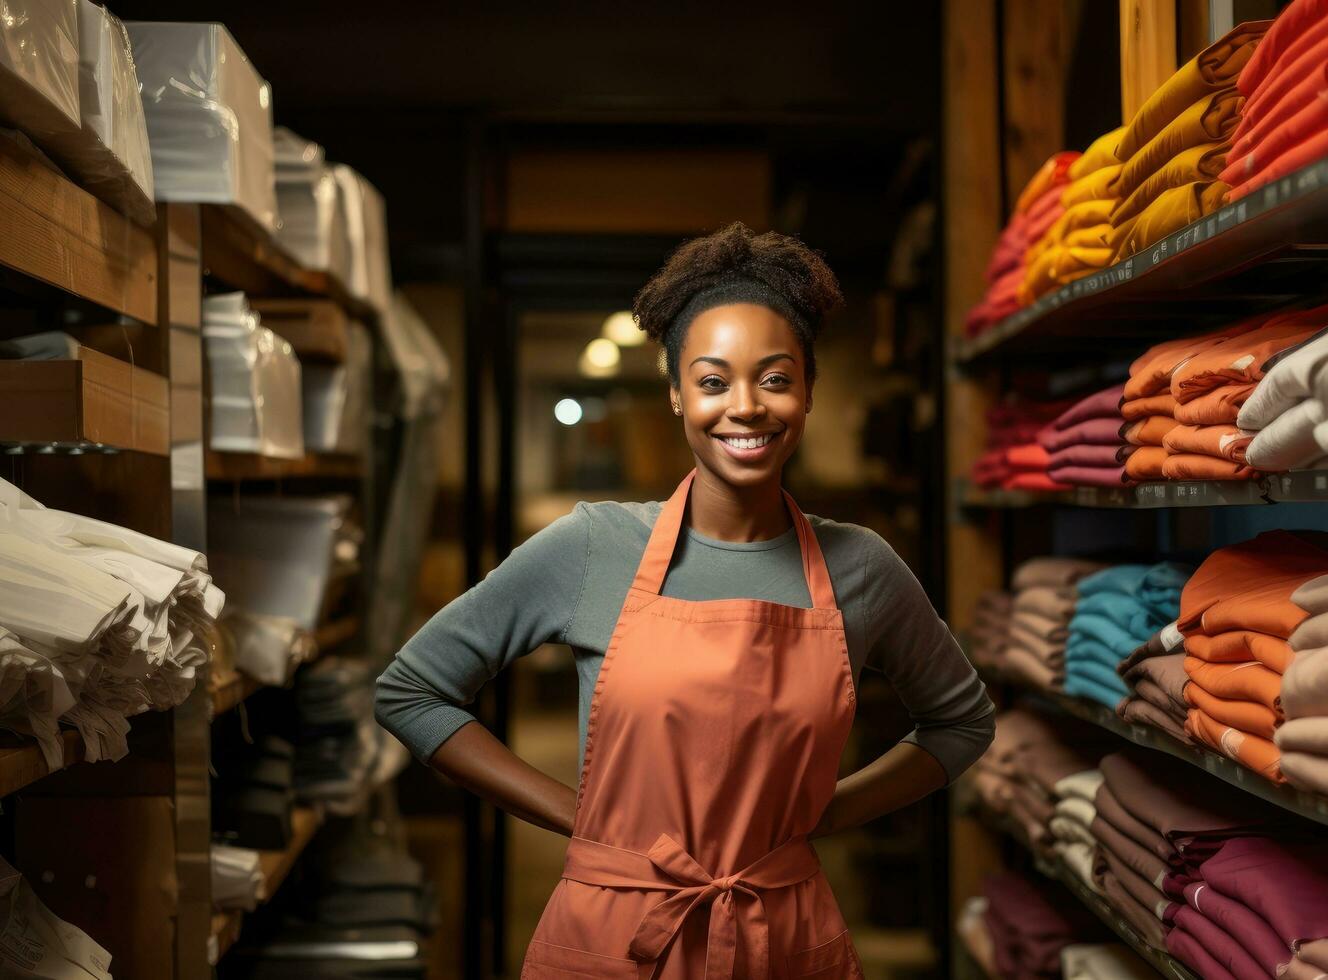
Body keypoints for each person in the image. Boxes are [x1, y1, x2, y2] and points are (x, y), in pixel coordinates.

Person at [375, 222, 995, 978]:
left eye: (774, 378)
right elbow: (412, 690)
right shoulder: (592, 547)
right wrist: (582, 818)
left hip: (782, 933)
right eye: (712, 381)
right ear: (675, 395)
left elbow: (961, 721)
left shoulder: (860, 567)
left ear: (806, 391)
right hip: (613, 935)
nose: (746, 407)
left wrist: (825, 814)